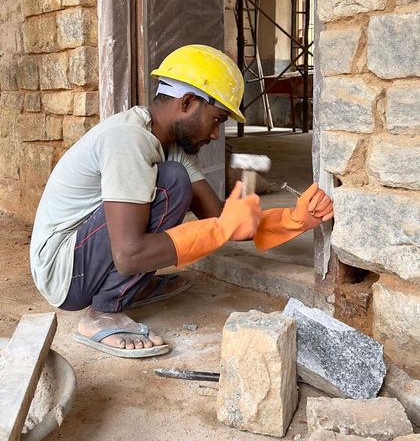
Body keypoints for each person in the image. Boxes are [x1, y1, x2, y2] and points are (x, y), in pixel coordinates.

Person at [30, 44, 333, 358]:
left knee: (175, 178)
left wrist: (296, 218)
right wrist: (219, 229)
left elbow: (221, 221)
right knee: (171, 182)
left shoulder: (169, 145)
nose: (217, 134)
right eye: (217, 119)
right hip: (62, 272)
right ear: (188, 102)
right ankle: (102, 313)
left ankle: (129, 285)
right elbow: (129, 255)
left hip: (85, 258)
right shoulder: (128, 140)